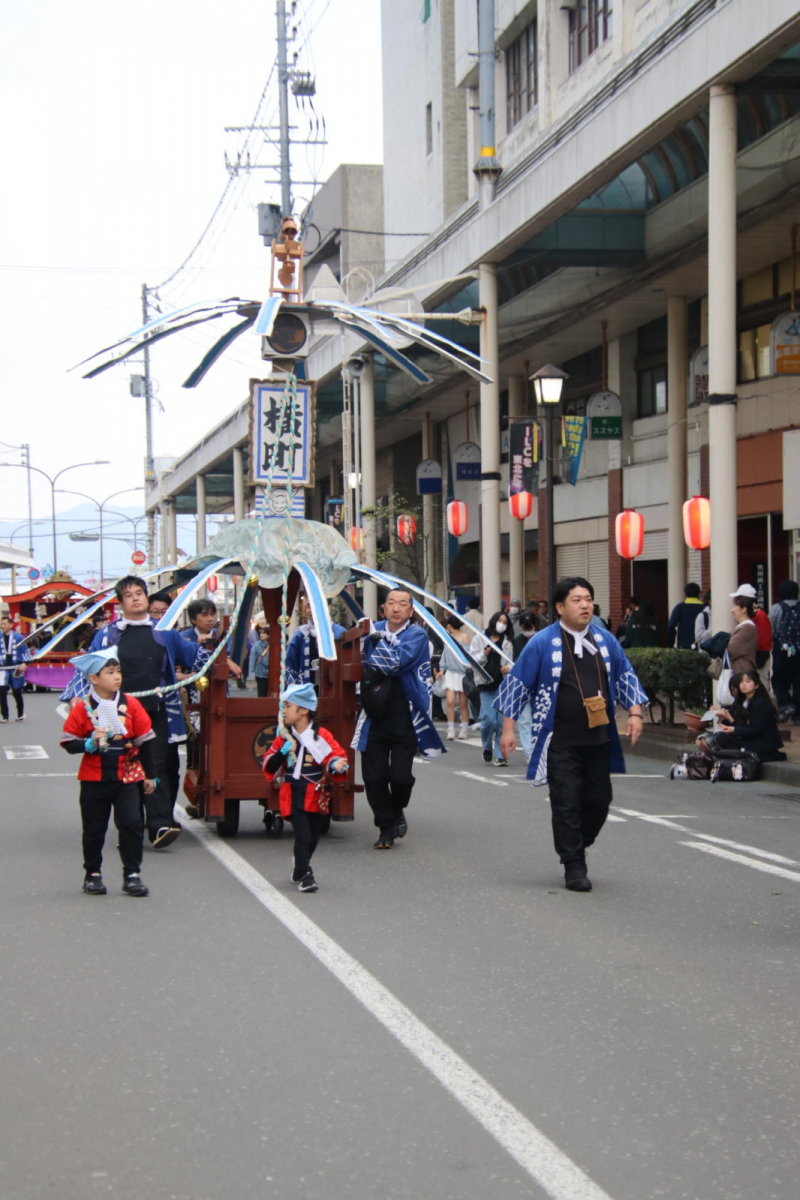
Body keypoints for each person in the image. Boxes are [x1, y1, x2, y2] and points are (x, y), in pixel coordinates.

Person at [496, 576, 647, 892]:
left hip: (598, 739)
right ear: (560, 607)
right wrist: (508, 730)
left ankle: (578, 842)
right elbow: (518, 684)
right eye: (577, 600)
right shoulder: (542, 642)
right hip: (559, 741)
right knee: (565, 802)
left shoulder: (606, 641)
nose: (585, 605)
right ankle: (574, 865)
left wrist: (634, 712)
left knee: (599, 800)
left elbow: (625, 675)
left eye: (588, 599)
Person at [63, 576, 202, 849]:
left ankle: (160, 823)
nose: (136, 598)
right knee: (126, 767)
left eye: (140, 593)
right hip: (119, 712)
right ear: (121, 602)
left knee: (159, 764)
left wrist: (226, 658)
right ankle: (132, 824)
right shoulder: (108, 634)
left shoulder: (165, 633)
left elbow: (194, 655)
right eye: (129, 595)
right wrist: (74, 696)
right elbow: (89, 667)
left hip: (158, 708)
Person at [60, 647, 157, 897]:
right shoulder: (83, 708)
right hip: (94, 779)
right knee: (94, 829)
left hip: (127, 777)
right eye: (110, 672)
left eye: (118, 672)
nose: (117, 677)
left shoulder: (131, 704)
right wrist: (89, 744)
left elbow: (145, 740)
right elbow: (69, 742)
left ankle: (132, 875)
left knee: (132, 824)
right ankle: (92, 874)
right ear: (94, 678)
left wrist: (150, 774)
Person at [354, 587, 444, 849]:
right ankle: (385, 829)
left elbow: (394, 662)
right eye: (391, 603)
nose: (396, 608)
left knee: (401, 778)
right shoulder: (370, 628)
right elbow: (353, 655)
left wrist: (373, 639)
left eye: (402, 604)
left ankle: (396, 808)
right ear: (384, 607)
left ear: (410, 610)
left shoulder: (415, 634)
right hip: (374, 714)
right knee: (374, 778)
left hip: (406, 715)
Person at [261, 683, 348, 893]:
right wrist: (282, 752)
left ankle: (299, 868)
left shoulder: (321, 736)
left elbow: (335, 756)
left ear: (303, 710)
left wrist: (336, 764)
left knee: (314, 838)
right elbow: (270, 765)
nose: (284, 711)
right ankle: (307, 877)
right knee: (303, 836)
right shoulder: (285, 736)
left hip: (316, 792)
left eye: (288, 706)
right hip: (293, 790)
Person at [697, 670, 784, 763]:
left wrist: (733, 728)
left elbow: (756, 729)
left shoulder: (761, 703)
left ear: (756, 685)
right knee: (700, 741)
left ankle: (717, 764)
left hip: (760, 743)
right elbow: (738, 724)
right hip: (746, 737)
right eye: (741, 682)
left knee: (717, 740)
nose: (744, 684)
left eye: (748, 681)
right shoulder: (742, 701)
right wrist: (722, 717)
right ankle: (713, 765)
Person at [475, 612, 513, 766]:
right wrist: (483, 655)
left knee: (500, 723)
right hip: (485, 683)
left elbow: (511, 661)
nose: (501, 624)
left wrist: (508, 668)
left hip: (502, 685)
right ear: (493, 621)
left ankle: (500, 755)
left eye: (505, 622)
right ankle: (486, 746)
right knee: (489, 720)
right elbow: (473, 660)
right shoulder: (479, 638)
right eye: (499, 620)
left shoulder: (507, 642)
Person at [285, 609, 345, 687]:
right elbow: (290, 663)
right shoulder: (301, 634)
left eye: (313, 605)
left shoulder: (339, 632)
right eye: (308, 606)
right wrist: (292, 684)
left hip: (333, 686)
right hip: (307, 688)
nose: (310, 610)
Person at [435, 614, 471, 740]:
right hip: (450, 673)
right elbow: (445, 655)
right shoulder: (448, 638)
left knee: (463, 704)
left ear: (449, 626)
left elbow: (467, 657)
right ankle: (450, 729)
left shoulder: (464, 637)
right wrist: (442, 670)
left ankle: (464, 730)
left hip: (462, 674)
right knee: (450, 702)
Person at [769, 580, 800, 723]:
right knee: (798, 680)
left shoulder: (777, 608)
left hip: (782, 650)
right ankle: (798, 716)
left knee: (778, 680)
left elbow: (772, 628)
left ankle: (786, 704)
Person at [512, 611, 537, 760]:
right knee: (525, 720)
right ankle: (530, 753)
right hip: (523, 685)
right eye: (525, 626)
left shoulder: (541, 639)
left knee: (537, 719)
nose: (528, 629)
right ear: (520, 626)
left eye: (531, 626)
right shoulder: (516, 641)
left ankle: (536, 750)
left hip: (539, 686)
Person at [0, 614, 30, 722]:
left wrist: (24, 663)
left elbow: (25, 651)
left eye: (5, 624)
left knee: (16, 691)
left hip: (16, 668)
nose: (3, 626)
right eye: (2, 624)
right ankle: (5, 716)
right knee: (2, 692)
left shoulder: (18, 638)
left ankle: (20, 713)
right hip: (2, 669)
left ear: (11, 625)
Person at [728, 589, 758, 675]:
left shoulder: (748, 628)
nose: (732, 610)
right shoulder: (743, 626)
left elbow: (730, 649)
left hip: (743, 675)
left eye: (734, 606)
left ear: (743, 609)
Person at [666, 582, 704, 649]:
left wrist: (670, 644)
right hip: (702, 645)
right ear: (699, 593)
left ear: (685, 593)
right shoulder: (705, 608)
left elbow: (671, 626)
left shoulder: (679, 607)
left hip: (684, 645)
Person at [249, 626, 270, 696]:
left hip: (271, 674)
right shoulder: (256, 645)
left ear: (268, 635)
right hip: (260, 673)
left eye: (264, 633)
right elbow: (252, 659)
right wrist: (251, 673)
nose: (261, 634)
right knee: (261, 694)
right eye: (261, 633)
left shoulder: (272, 645)